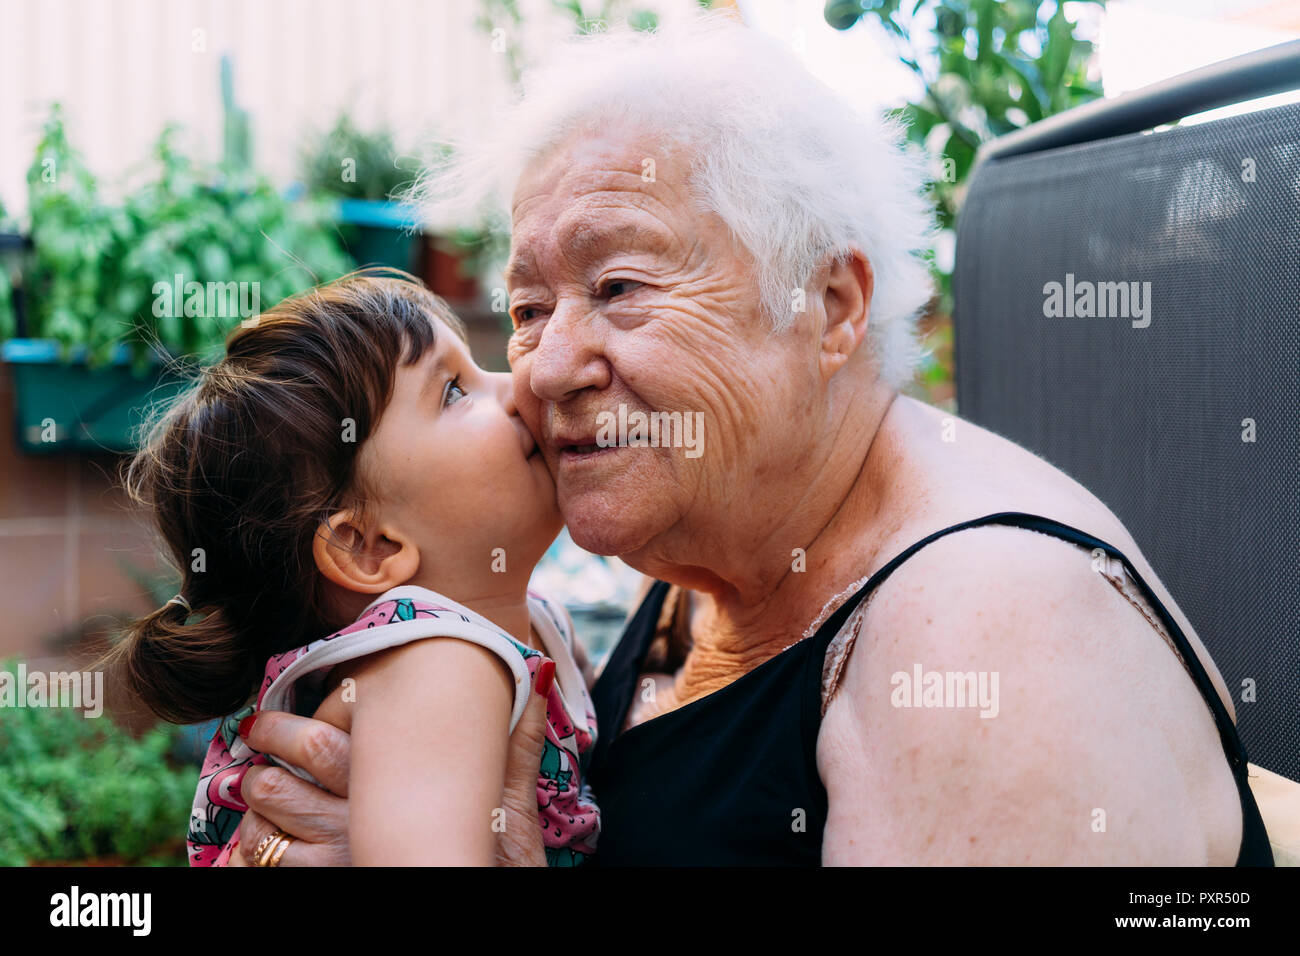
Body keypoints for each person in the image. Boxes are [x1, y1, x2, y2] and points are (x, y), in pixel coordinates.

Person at [227, 14, 1271, 865]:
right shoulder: (705, 552)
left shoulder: (988, 638)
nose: (539, 366)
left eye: (618, 286)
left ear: (829, 305)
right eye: (531, 305)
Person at [104, 271, 598, 866]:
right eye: (453, 392)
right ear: (369, 548)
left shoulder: (540, 625)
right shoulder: (437, 661)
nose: (520, 387)